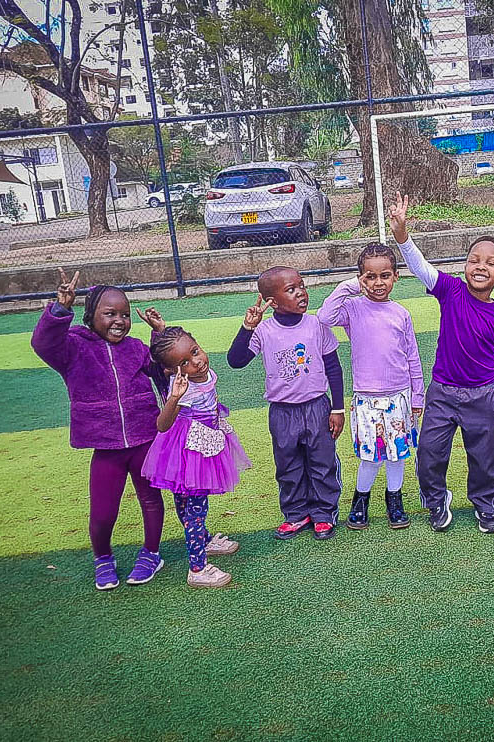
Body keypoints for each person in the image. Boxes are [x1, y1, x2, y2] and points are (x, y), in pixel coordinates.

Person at [389, 195, 494, 534]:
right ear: (464, 265)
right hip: (443, 394)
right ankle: (437, 500)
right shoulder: (450, 290)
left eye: (490, 263)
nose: (480, 266)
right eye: (474, 259)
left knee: (485, 460)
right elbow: (420, 266)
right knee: (429, 454)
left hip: (484, 398)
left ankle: (486, 506)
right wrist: (403, 235)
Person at [31, 270, 166, 591]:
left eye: (125, 315)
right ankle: (103, 557)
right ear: (91, 317)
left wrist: (160, 334)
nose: (119, 320)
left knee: (150, 499)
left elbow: (164, 368)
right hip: (105, 446)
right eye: (109, 314)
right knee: (104, 510)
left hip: (145, 438)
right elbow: (43, 344)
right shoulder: (74, 347)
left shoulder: (135, 347)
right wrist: (60, 309)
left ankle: (151, 553)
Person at [227, 266, 346, 540]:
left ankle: (324, 513)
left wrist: (337, 408)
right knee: (288, 465)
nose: (301, 293)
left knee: (322, 462)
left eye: (302, 286)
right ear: (272, 301)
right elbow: (236, 360)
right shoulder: (264, 331)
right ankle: (296, 514)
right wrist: (248, 328)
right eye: (291, 290)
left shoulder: (317, 325)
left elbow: (334, 368)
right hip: (282, 412)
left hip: (317, 407)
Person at [317, 243, 425, 530]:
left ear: (396, 277)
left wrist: (417, 396)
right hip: (366, 399)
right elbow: (324, 317)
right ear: (361, 278)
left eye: (385, 275)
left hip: (400, 398)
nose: (378, 283)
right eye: (370, 277)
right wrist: (350, 286)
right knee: (371, 457)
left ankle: (395, 501)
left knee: (397, 454)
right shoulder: (352, 308)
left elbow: (412, 356)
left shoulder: (401, 313)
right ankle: (360, 501)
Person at [142, 320, 251, 588]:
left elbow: (172, 347)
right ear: (173, 370)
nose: (197, 361)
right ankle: (197, 568)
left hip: (205, 442)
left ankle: (203, 539)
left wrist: (161, 328)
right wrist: (173, 398)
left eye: (195, 351)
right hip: (190, 451)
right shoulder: (182, 388)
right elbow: (162, 425)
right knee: (195, 509)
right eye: (185, 362)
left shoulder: (203, 371)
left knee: (187, 505)